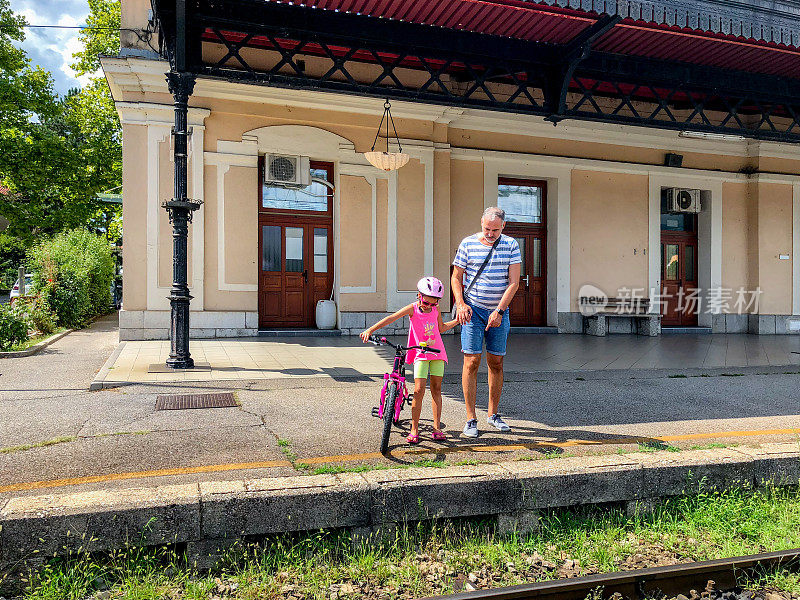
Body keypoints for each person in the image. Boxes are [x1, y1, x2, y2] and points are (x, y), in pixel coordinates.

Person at [360, 277, 458, 444]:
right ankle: (414, 428)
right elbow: (391, 318)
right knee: (419, 390)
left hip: (437, 352)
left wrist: (457, 321)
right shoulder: (412, 309)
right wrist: (370, 329)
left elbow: (440, 328)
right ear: (419, 296)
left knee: (436, 389)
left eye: (433, 304)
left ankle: (437, 428)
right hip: (420, 353)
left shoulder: (436, 309)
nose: (430, 306)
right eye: (427, 303)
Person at [451, 206, 521, 438]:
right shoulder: (467, 243)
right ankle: (471, 418)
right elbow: (456, 276)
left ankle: (493, 414)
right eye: (487, 228)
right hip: (473, 310)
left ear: (504, 226)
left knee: (496, 362)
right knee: (471, 361)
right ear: (481, 223)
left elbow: (514, 282)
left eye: (495, 230)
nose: (490, 233)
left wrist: (500, 311)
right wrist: (461, 304)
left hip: (499, 312)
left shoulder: (511, 245)